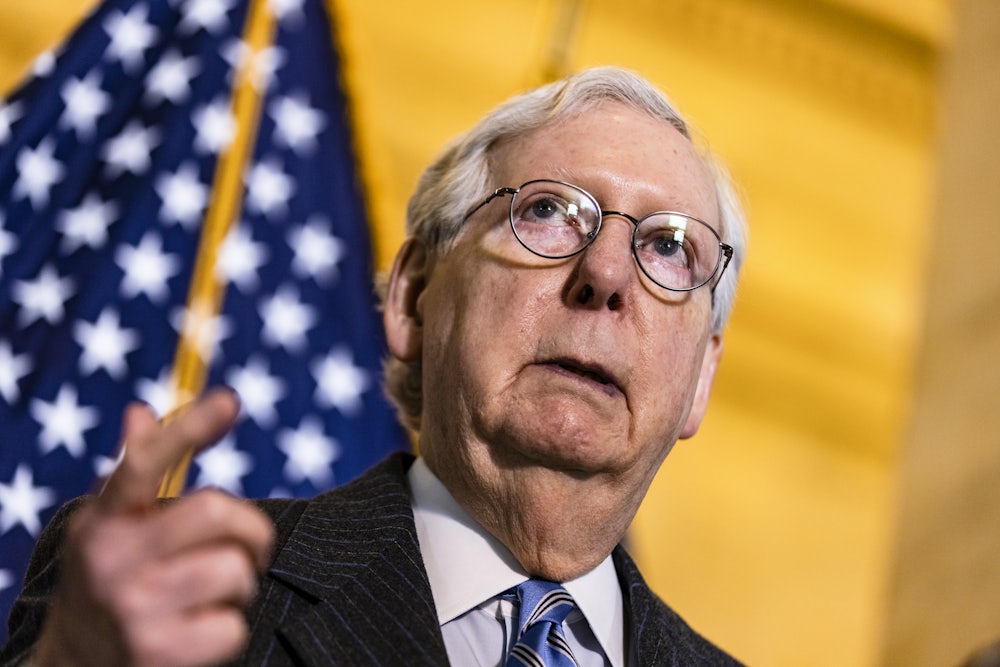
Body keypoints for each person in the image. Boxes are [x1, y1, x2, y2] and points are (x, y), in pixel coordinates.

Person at [1, 66, 747, 666]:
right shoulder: (168, 606)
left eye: (670, 248)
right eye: (549, 212)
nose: (608, 273)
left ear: (701, 380)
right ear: (412, 297)